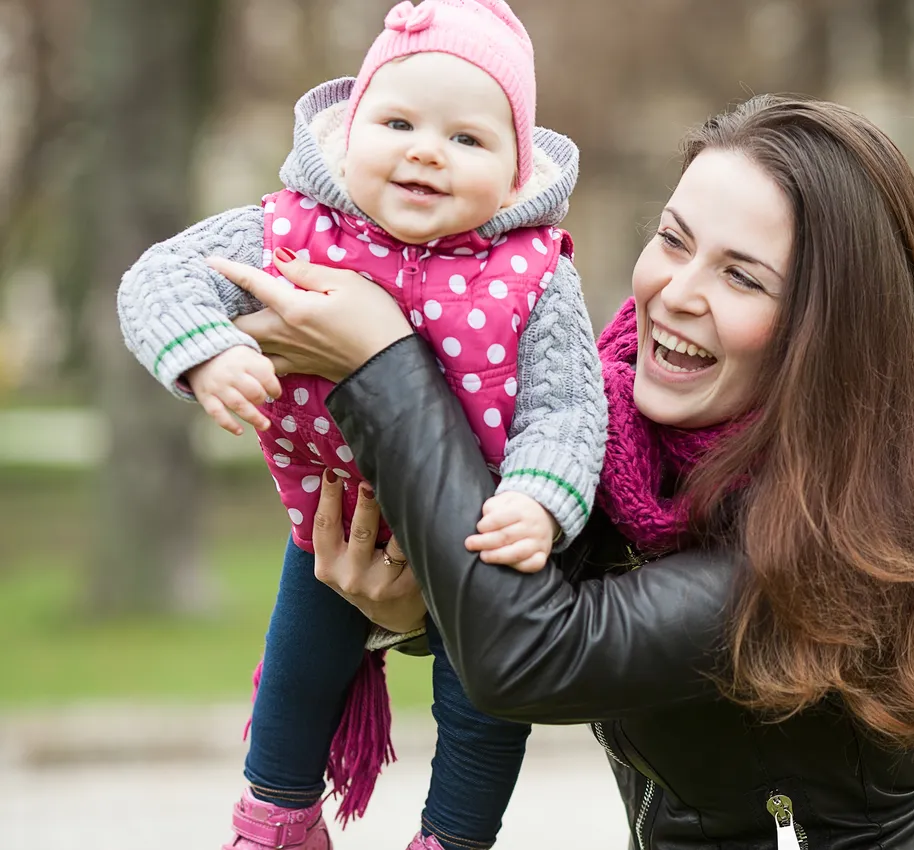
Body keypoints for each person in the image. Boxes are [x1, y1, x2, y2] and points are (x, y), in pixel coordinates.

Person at [209, 94, 914, 849]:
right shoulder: (616, 444)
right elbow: (539, 607)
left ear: (830, 337)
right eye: (674, 239)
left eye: (742, 276)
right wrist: (415, 612)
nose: (675, 291)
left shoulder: (845, 532)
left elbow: (531, 653)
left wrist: (384, 363)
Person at [115, 2, 606, 848]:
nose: (424, 149)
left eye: (467, 139)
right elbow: (160, 279)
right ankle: (279, 815)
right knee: (297, 671)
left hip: (478, 539)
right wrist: (205, 352)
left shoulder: (532, 274)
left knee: (485, 703)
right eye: (398, 121)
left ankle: (451, 836)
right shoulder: (295, 229)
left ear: (517, 173)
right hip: (336, 517)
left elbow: (567, 406)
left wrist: (539, 497)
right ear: (350, 133)